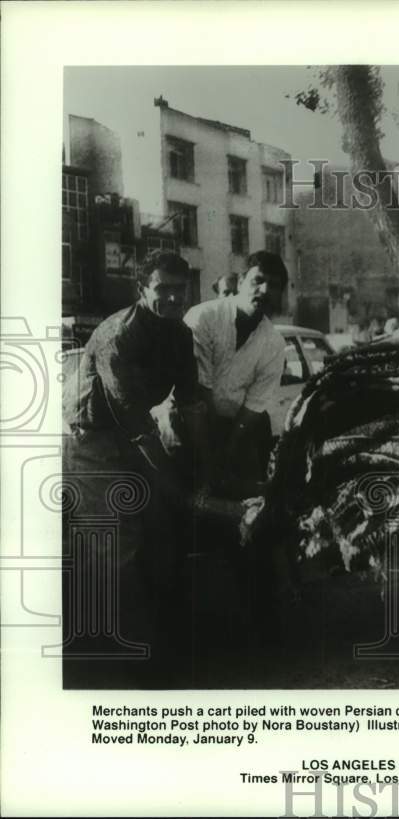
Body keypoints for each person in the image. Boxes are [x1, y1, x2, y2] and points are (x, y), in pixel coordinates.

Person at [62, 251, 212, 684]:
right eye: (162, 289)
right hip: (93, 440)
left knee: (163, 533)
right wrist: (181, 488)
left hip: (133, 436)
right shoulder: (119, 335)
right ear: (143, 289)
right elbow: (137, 426)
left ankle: (165, 640)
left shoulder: (180, 335)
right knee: (117, 551)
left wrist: (207, 471)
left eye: (178, 291)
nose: (171, 298)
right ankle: (130, 665)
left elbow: (193, 406)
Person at [183, 251, 288, 496]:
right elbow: (198, 389)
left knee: (249, 504)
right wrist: (210, 459)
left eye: (273, 285)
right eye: (257, 280)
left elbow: (253, 407)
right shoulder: (204, 317)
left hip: (232, 430)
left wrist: (226, 454)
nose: (263, 290)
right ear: (240, 282)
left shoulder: (274, 343)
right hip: (187, 422)